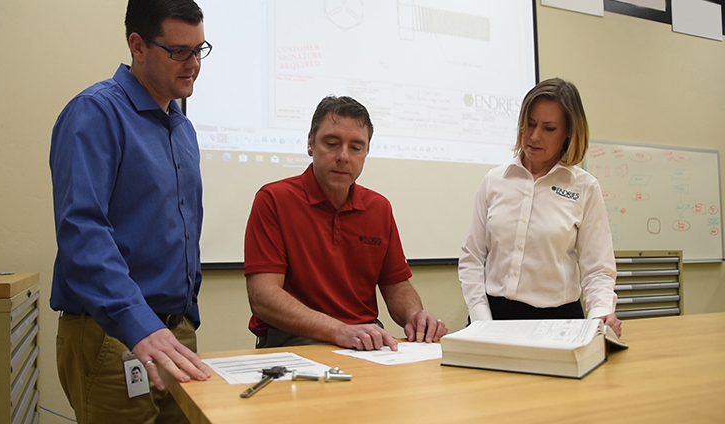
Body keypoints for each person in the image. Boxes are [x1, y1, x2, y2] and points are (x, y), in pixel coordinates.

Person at [49, 1, 213, 422]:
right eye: (179, 51)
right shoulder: (96, 112)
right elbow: (82, 230)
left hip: (173, 333)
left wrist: (185, 320)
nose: (193, 64)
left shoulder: (182, 127)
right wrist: (139, 324)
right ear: (137, 46)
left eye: (199, 49)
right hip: (114, 335)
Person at [244, 95, 449, 351]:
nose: (343, 156)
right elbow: (263, 297)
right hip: (294, 343)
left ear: (366, 152)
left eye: (356, 147)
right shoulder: (274, 200)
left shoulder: (379, 208)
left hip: (365, 341)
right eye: (332, 143)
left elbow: (396, 286)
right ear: (310, 143)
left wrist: (416, 316)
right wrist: (339, 331)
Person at [458, 78, 623, 337]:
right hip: (492, 317)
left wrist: (600, 313)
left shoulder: (585, 188)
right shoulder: (495, 181)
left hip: (559, 321)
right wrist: (482, 320)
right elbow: (472, 259)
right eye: (530, 124)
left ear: (568, 133)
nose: (534, 136)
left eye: (549, 128)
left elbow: (598, 270)